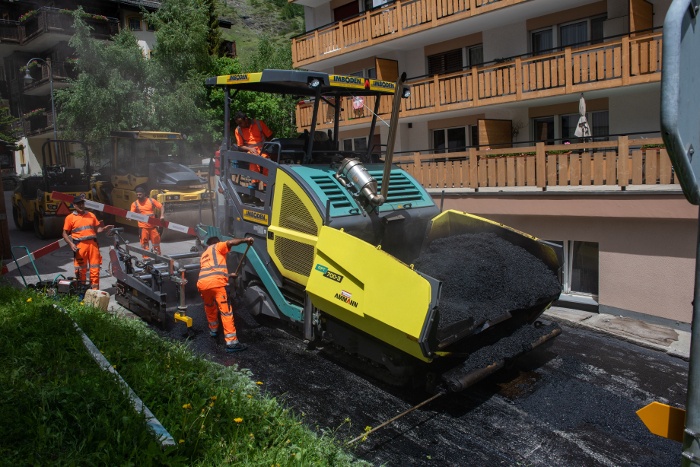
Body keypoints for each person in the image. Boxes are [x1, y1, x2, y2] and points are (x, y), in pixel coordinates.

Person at [197, 235, 255, 353]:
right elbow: (230, 243)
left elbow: (211, 272)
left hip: (202, 284)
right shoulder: (217, 246)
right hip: (217, 284)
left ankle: (213, 330)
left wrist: (229, 276)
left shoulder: (204, 255)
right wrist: (245, 240)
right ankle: (232, 343)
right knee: (226, 312)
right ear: (216, 242)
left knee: (210, 306)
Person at [62, 196, 113, 290]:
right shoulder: (70, 218)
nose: (81, 205)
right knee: (81, 270)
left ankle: (95, 292)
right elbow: (64, 233)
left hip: (93, 245)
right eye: (79, 204)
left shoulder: (91, 215)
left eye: (82, 203)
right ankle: (82, 291)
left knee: (95, 269)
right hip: (80, 245)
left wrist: (104, 229)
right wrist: (71, 244)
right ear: (74, 205)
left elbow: (98, 229)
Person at [233, 111, 273, 184]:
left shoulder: (259, 123)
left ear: (246, 119)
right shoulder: (238, 130)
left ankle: (266, 186)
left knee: (267, 162)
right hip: (250, 151)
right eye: (238, 124)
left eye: (241, 123)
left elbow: (270, 136)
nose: (240, 125)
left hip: (263, 149)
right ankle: (255, 183)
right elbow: (240, 146)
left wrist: (267, 147)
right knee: (253, 159)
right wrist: (250, 149)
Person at [130, 186, 164, 254]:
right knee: (144, 244)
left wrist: (162, 215)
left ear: (144, 194)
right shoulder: (135, 204)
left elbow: (161, 206)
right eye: (137, 195)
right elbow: (131, 214)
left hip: (153, 227)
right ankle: (146, 258)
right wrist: (130, 217)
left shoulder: (151, 201)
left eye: (140, 194)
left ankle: (158, 256)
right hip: (143, 228)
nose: (138, 196)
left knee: (156, 243)